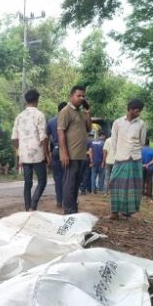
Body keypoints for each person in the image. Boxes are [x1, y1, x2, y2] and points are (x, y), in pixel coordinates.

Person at [107, 99, 147, 219]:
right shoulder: (118, 122)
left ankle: (128, 211)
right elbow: (113, 140)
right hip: (120, 158)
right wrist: (118, 154)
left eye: (140, 111)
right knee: (115, 183)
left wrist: (133, 151)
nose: (138, 112)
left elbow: (142, 141)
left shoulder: (141, 124)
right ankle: (114, 212)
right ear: (129, 109)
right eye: (136, 110)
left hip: (135, 159)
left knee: (132, 186)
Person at [12, 89, 50, 211]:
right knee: (42, 181)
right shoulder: (39, 115)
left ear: (26, 100)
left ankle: (27, 207)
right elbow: (43, 137)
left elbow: (14, 138)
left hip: (25, 155)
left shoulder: (19, 116)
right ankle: (33, 205)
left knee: (27, 183)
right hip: (38, 153)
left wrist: (21, 149)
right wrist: (47, 153)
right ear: (37, 100)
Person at [57, 85, 91, 214]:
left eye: (83, 96)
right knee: (69, 185)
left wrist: (88, 114)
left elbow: (88, 129)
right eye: (79, 96)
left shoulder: (81, 113)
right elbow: (60, 133)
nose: (81, 98)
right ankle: (68, 211)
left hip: (81, 155)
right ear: (71, 96)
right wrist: (64, 153)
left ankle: (73, 209)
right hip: (70, 155)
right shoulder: (65, 111)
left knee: (76, 184)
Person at [46, 101, 68, 207]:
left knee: (58, 177)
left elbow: (45, 139)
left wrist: (47, 154)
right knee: (68, 176)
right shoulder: (69, 120)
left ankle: (59, 201)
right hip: (67, 151)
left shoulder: (51, 121)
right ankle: (68, 200)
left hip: (55, 150)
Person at [102, 128, 116, 193]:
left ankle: (106, 191)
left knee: (107, 177)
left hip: (108, 161)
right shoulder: (118, 140)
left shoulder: (107, 140)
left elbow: (105, 152)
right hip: (116, 162)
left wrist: (103, 161)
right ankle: (112, 191)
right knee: (114, 177)